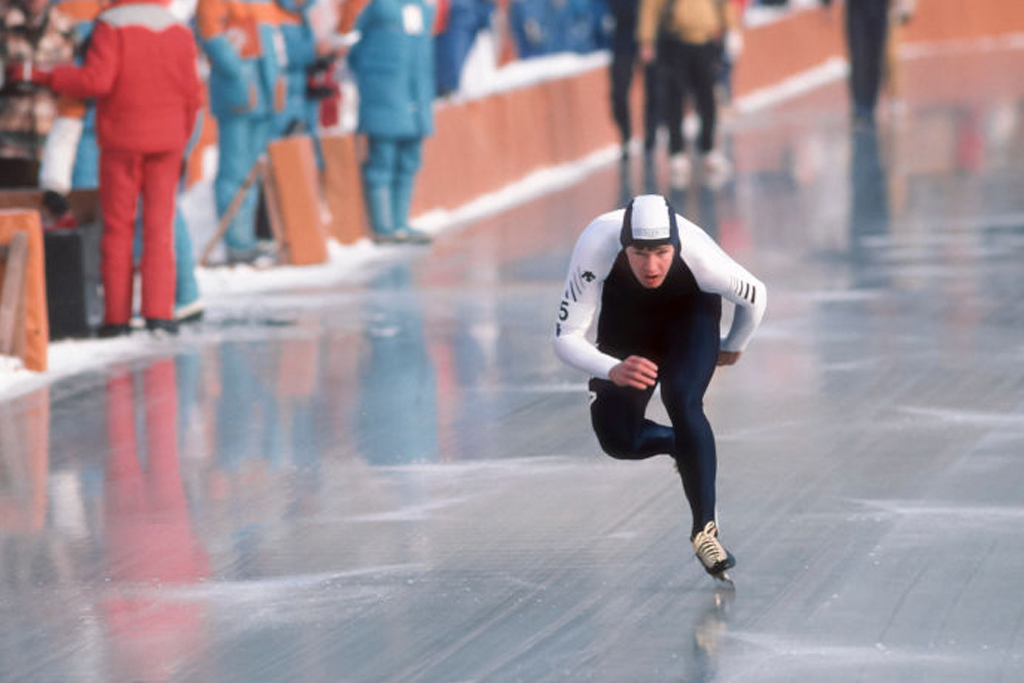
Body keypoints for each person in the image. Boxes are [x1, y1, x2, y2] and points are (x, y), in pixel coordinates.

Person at [551, 193, 766, 581]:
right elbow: (565, 337)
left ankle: (705, 529)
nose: (651, 266)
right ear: (623, 245)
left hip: (690, 316)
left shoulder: (701, 257)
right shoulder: (596, 244)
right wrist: (612, 367)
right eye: (639, 253)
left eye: (662, 253)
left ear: (677, 246)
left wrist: (733, 345)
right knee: (619, 441)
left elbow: (756, 295)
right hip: (626, 324)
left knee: (682, 399)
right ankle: (683, 446)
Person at [6, 0, 202, 336]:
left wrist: (44, 76)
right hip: (168, 141)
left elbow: (97, 81)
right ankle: (159, 313)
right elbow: (192, 95)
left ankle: (117, 318)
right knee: (160, 229)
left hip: (122, 141)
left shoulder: (110, 25)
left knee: (117, 228)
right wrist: (181, 139)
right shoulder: (178, 29)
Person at [195, 0, 286, 264]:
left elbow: (273, 42)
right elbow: (211, 34)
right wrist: (237, 73)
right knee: (234, 171)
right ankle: (237, 240)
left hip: (263, 94)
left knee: (252, 171)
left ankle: (248, 236)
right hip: (238, 95)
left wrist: (275, 84)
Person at [348, 0, 435, 244]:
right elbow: (356, 51)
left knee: (408, 162)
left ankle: (399, 223)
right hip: (386, 97)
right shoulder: (379, 8)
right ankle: (385, 227)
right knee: (382, 162)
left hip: (414, 99)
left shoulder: (422, 9)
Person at [637, 0, 739, 187]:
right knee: (674, 99)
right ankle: (677, 153)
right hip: (675, 41)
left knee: (707, 99)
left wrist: (731, 29)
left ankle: (708, 149)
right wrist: (646, 39)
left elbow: (723, 3)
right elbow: (650, 6)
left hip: (705, 41)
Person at [0, 0, 76, 186]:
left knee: (46, 199)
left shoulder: (65, 26)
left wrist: (35, 74)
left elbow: (75, 75)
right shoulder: (5, 23)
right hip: (8, 134)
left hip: (49, 132)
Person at [607, 0, 662, 161]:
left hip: (650, 32)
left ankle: (650, 137)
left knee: (654, 88)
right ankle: (625, 136)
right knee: (619, 90)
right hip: (623, 33)